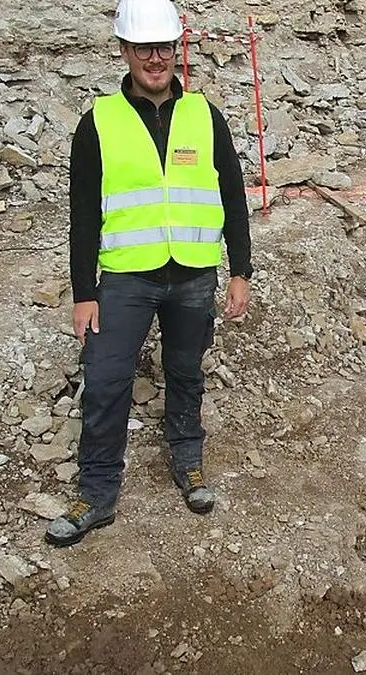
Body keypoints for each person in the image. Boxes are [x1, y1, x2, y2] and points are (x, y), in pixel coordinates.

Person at [46, 0, 253, 548]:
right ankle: (96, 493)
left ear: (176, 49)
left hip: (192, 273)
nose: (155, 59)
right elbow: (83, 214)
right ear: (125, 51)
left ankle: (189, 463)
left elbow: (232, 194)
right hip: (126, 278)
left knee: (186, 371)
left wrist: (241, 270)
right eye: (144, 49)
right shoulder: (99, 122)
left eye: (164, 47)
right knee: (108, 379)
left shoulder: (205, 116)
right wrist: (84, 293)